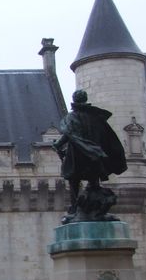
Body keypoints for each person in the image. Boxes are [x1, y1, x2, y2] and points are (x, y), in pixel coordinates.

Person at [53, 89, 127, 221]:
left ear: (74, 100)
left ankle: (75, 208)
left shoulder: (72, 117)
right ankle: (96, 209)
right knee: (94, 181)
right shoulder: (96, 117)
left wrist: (57, 145)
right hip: (95, 155)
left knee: (73, 180)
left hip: (77, 155)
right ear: (85, 99)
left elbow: (68, 134)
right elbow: (107, 138)